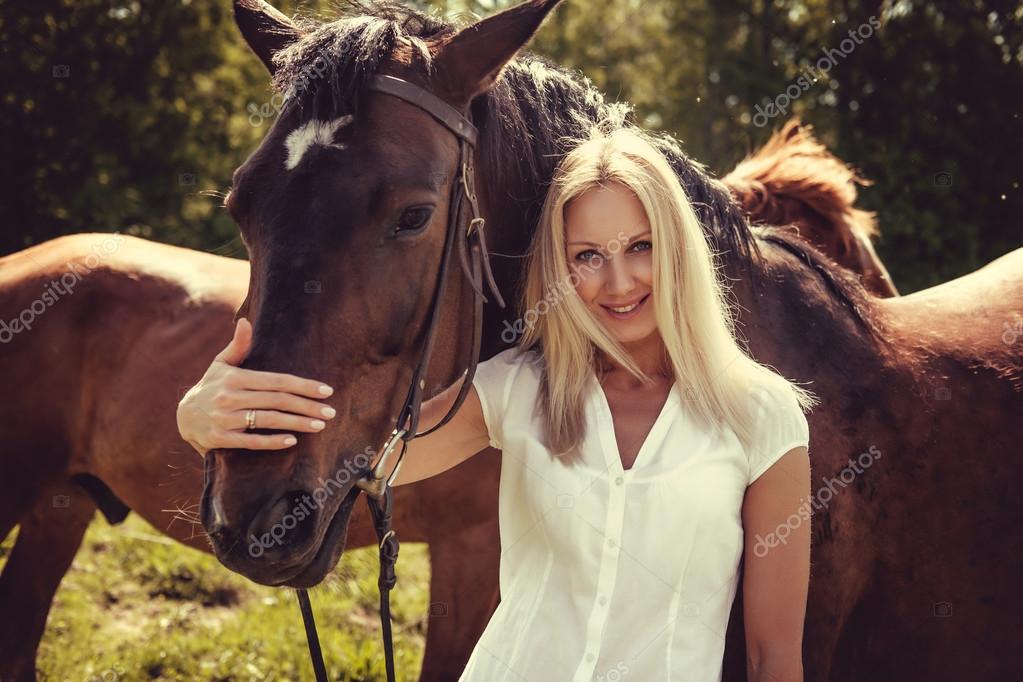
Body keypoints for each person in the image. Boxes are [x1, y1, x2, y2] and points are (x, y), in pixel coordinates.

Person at [177, 124, 815, 682]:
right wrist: (204, 421)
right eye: (587, 256)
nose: (619, 282)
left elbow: (772, 659)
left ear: (680, 249)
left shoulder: (763, 416)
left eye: (640, 247)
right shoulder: (519, 387)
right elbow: (362, 458)